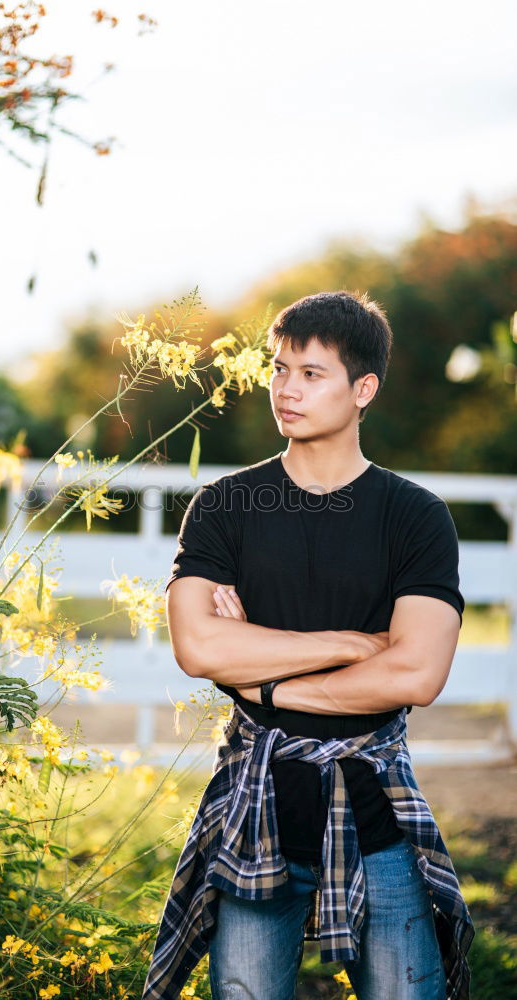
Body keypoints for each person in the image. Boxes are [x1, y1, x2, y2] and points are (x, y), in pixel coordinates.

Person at [141, 291, 474, 1000]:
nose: (286, 389)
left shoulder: (412, 515)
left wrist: (262, 680)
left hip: (374, 807)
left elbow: (414, 671)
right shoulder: (226, 503)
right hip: (256, 805)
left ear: (362, 390)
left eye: (310, 373)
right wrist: (350, 645)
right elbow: (198, 648)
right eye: (278, 368)